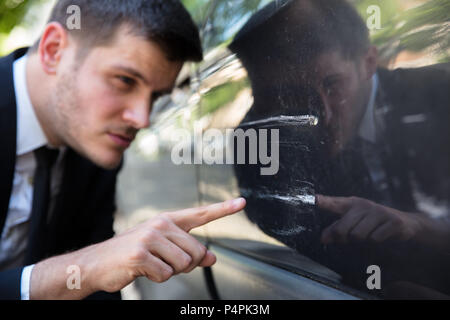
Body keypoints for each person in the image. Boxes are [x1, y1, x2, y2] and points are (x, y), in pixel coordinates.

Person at [0, 0, 246, 300]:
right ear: (54, 51)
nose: (142, 119)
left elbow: (97, 291)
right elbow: (88, 273)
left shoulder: (93, 147)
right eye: (125, 81)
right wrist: (85, 266)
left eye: (156, 96)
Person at [230, 0, 450, 297]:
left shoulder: (439, 96)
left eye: (333, 85)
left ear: (369, 62)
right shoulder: (259, 145)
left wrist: (420, 228)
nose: (323, 116)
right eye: (293, 95)